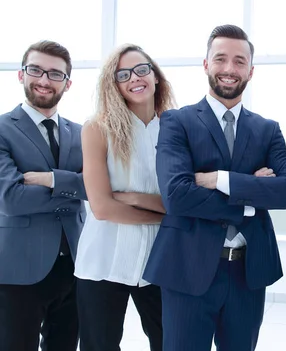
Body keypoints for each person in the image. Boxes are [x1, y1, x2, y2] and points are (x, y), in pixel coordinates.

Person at [143, 24, 286, 351]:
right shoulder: (176, 122)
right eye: (221, 59)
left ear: (251, 71)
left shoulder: (268, 130)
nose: (230, 69)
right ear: (206, 64)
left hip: (248, 271)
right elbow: (177, 196)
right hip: (187, 268)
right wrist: (251, 197)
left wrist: (219, 180)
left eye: (240, 61)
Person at [75, 44, 176, 351]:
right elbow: (103, 208)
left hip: (160, 261)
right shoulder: (97, 129)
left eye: (142, 69)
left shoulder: (176, 128)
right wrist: (164, 215)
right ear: (114, 84)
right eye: (123, 74)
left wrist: (131, 197)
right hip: (102, 262)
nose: (135, 78)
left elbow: (182, 201)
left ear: (155, 76)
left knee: (171, 342)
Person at [0, 40, 86, 351]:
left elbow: (99, 189)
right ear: (21, 75)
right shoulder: (2, 129)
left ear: (68, 83)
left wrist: (50, 180)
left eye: (55, 74)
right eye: (36, 70)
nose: (44, 80)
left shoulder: (81, 133)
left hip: (76, 267)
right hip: (18, 269)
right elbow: (11, 198)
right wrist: (74, 188)